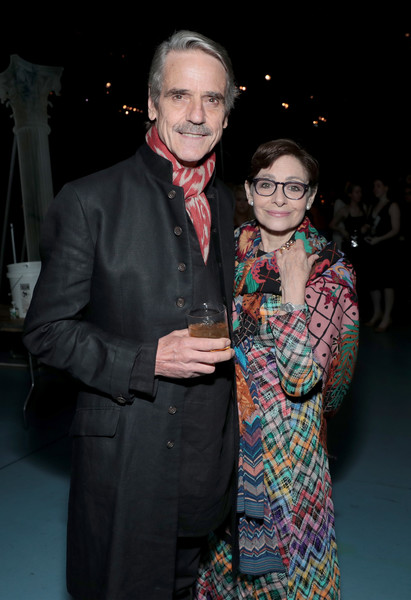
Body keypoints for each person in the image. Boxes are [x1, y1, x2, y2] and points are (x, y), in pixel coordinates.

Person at [23, 30, 240, 600]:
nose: (197, 115)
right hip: (127, 464)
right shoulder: (89, 201)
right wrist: (149, 359)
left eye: (212, 99)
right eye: (179, 95)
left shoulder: (223, 201)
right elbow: (46, 332)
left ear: (226, 113)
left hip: (204, 461)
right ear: (151, 103)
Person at [195, 139, 359, 599]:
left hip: (290, 451)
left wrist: (292, 295)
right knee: (223, 567)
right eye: (267, 184)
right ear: (249, 191)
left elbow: (303, 378)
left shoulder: (329, 271)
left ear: (311, 196)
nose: (279, 198)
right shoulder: (225, 255)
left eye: (294, 186)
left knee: (289, 576)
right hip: (225, 437)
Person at [363, 176, 401, 332]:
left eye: (378, 186)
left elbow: (396, 229)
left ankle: (387, 316)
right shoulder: (373, 206)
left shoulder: (392, 205)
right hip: (373, 248)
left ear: (386, 188)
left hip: (387, 249)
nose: (375, 189)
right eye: (374, 186)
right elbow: (370, 225)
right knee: (374, 283)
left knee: (387, 283)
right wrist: (366, 229)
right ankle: (377, 313)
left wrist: (379, 239)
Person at [329, 181, 368, 302]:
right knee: (351, 275)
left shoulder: (364, 208)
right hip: (350, 247)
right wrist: (343, 231)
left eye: (360, 192)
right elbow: (332, 224)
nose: (359, 194)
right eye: (356, 192)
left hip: (363, 246)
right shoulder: (345, 210)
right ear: (350, 194)